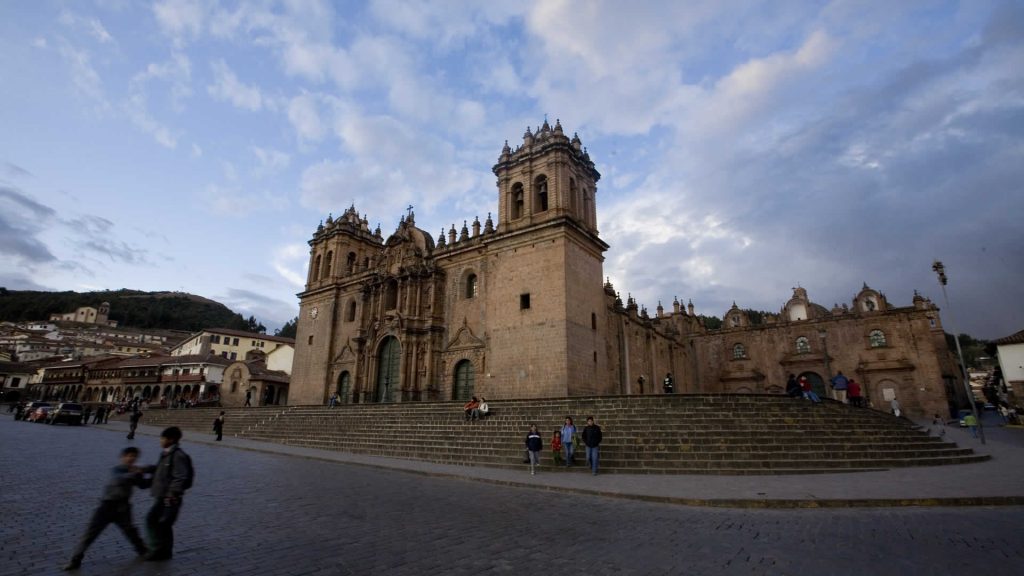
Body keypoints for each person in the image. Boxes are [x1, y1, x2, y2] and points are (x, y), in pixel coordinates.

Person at [62, 447, 150, 571]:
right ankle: (75, 559)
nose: (132, 458)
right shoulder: (117, 470)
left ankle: (143, 551)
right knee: (90, 534)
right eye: (129, 456)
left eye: (134, 456)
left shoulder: (135, 472)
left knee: (131, 531)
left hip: (123, 507)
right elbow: (120, 478)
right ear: (123, 457)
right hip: (106, 507)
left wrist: (156, 475)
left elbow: (143, 485)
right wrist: (137, 472)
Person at [144, 427, 194, 561]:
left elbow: (180, 476)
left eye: (162, 438)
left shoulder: (178, 455)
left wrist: (172, 494)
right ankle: (165, 551)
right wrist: (144, 469)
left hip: (169, 497)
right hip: (162, 495)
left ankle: (156, 549)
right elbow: (159, 469)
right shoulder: (166, 453)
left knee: (152, 520)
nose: (160, 441)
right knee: (164, 524)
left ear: (171, 439)